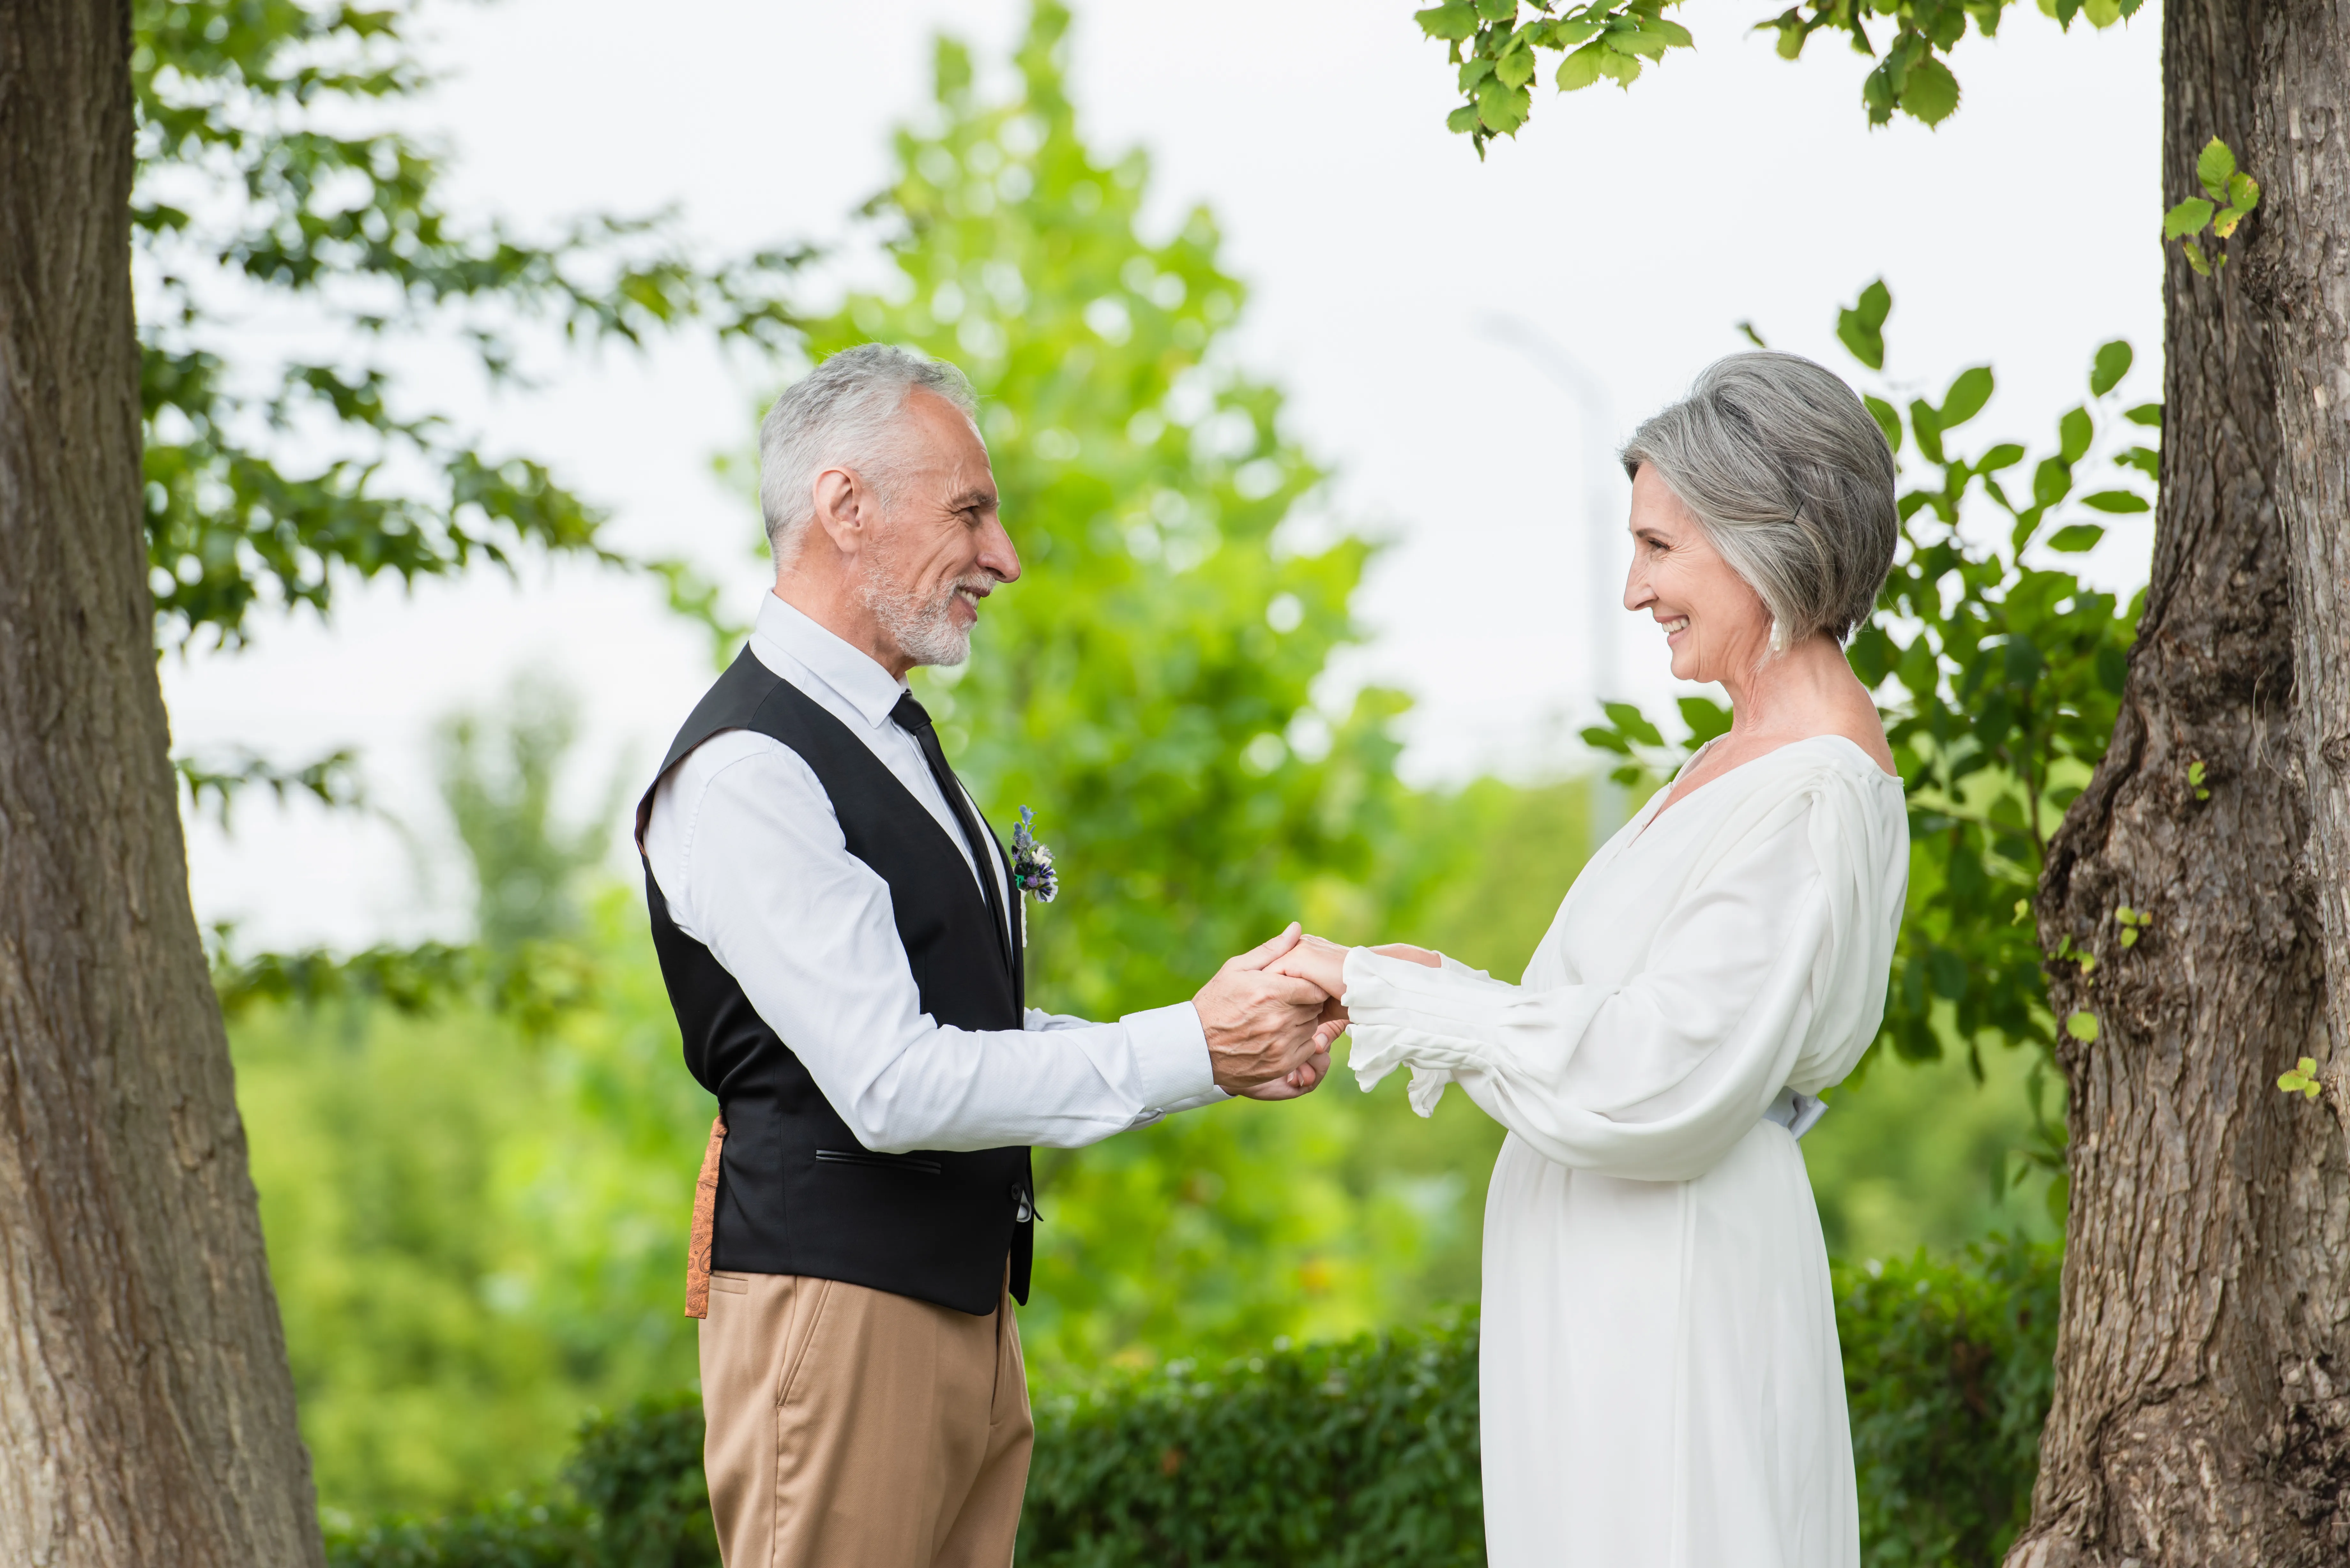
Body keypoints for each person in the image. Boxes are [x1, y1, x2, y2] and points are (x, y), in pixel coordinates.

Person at [633, 343, 1340, 1568]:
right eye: (971, 510)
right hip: (841, 1315)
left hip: (954, 1313)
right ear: (845, 508)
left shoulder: (886, 738)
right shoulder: (752, 767)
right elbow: (896, 1084)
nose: (1003, 557)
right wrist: (1185, 1046)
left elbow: (967, 1034)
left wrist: (1211, 1038)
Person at [1274, 351, 1910, 1567]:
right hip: (1613, 1290)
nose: (1634, 590)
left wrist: (1397, 994)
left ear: (1764, 536)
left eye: (1661, 548)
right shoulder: (1742, 758)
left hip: (1669, 1296)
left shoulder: (1813, 788)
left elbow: (1662, 1078)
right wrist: (1447, 991)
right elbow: (1641, 1018)